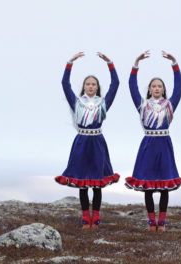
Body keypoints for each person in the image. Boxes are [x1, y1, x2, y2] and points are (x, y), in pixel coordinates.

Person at [55, 52, 120, 229]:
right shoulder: (76, 103)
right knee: (82, 183)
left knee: (97, 184)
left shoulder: (103, 103)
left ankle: (96, 218)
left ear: (97, 87)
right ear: (83, 87)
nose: (90, 87)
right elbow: (64, 84)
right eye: (87, 84)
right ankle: (85, 218)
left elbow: (116, 84)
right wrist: (70, 63)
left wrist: (110, 63)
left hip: (97, 143)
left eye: (93, 84)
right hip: (81, 143)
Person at [125, 50, 181, 232]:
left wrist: (174, 64)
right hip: (148, 146)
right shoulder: (142, 105)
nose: (157, 88)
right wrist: (136, 65)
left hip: (164, 145)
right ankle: (152, 222)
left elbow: (180, 86)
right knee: (148, 186)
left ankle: (162, 223)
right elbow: (132, 87)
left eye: (159, 86)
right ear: (149, 89)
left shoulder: (170, 104)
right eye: (153, 86)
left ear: (163, 89)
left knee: (165, 185)